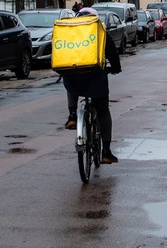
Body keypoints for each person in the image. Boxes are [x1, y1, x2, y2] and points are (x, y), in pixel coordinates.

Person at [62, 7, 122, 164]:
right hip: (96, 80)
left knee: (70, 77)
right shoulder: (99, 32)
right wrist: (115, 68)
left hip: (74, 80)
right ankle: (106, 152)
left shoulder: (69, 32)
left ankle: (72, 115)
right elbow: (112, 53)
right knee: (103, 112)